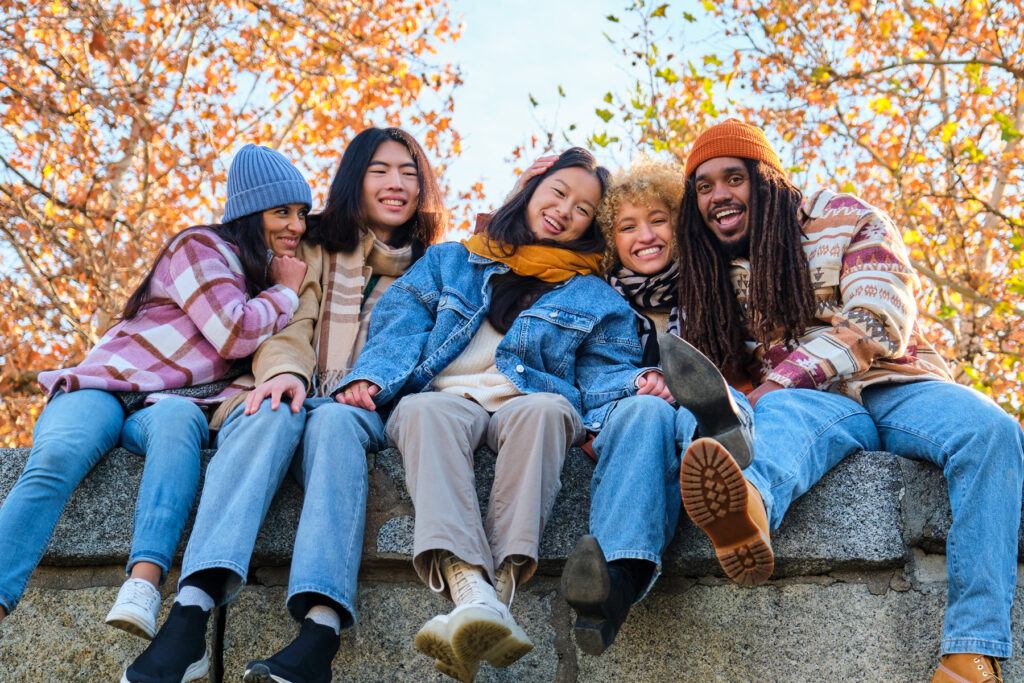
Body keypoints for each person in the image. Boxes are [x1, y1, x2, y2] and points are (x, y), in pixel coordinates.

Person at [665, 118, 1024, 683]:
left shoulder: (846, 217)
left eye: (732, 178)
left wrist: (779, 380)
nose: (718, 196)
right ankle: (746, 508)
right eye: (703, 187)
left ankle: (971, 655)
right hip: (813, 408)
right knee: (778, 417)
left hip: (894, 385)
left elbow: (880, 320)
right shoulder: (706, 271)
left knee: (994, 431)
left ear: (767, 181)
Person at [122, 127, 445, 683]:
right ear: (354, 180)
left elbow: (426, 349)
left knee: (338, 424)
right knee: (268, 407)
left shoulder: (436, 267)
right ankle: (191, 614)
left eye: (409, 173)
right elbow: (288, 318)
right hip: (293, 385)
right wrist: (286, 374)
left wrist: (371, 387)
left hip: (366, 407)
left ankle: (320, 630)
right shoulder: (314, 243)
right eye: (381, 170)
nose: (397, 184)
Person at [335, 148, 647, 682]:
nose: (565, 210)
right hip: (446, 396)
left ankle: (491, 592)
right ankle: (474, 591)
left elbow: (605, 369)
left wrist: (633, 387)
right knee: (424, 410)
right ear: (531, 190)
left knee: (549, 410)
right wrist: (373, 375)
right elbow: (401, 318)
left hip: (528, 401)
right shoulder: (452, 259)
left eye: (583, 208)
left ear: (590, 227)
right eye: (558, 192)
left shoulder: (596, 295)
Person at [0, 144, 309, 641]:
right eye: (282, 212)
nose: (296, 225)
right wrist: (286, 292)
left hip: (167, 405)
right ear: (250, 213)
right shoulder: (201, 246)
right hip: (106, 385)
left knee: (178, 426)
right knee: (58, 456)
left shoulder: (260, 278)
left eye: (301, 213)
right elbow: (233, 332)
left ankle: (143, 586)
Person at [508, 157, 753, 655]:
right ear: (609, 238)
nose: (646, 235)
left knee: (704, 402)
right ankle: (612, 581)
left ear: (679, 225)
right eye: (627, 226)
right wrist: (639, 379)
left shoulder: (719, 285)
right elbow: (572, 372)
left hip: (710, 411)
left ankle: (721, 446)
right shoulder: (589, 297)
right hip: (622, 417)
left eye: (658, 220)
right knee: (649, 412)